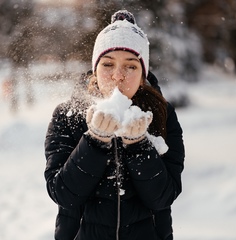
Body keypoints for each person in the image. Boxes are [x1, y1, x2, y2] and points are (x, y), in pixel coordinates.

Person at [44, 10, 185, 240]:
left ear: (143, 75)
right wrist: (95, 140)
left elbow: (163, 197)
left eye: (131, 66)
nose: (118, 76)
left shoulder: (161, 114)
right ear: (95, 70)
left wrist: (138, 145)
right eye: (108, 64)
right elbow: (63, 194)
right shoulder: (68, 115)